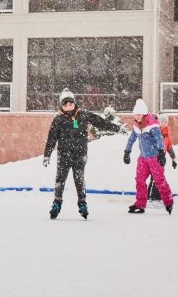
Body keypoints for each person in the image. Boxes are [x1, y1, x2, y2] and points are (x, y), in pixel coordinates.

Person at [42, 88, 123, 220]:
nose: (68, 106)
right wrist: (47, 154)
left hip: (80, 154)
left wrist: (116, 127)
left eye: (71, 103)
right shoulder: (58, 120)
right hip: (64, 155)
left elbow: (100, 122)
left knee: (79, 179)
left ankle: (82, 203)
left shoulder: (83, 115)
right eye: (65, 104)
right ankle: (57, 203)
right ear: (61, 105)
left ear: (74, 103)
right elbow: (52, 138)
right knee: (60, 179)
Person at [123, 99, 174, 214]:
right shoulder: (136, 125)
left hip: (154, 158)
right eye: (135, 114)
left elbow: (159, 138)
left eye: (139, 114)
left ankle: (169, 202)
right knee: (139, 180)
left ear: (144, 114)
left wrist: (161, 152)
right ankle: (140, 204)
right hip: (143, 158)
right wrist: (127, 151)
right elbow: (131, 138)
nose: (137, 116)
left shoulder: (152, 124)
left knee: (159, 180)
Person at [147, 112, 178, 203]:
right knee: (155, 176)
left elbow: (169, 147)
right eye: (162, 121)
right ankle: (150, 196)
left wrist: (174, 159)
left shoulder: (166, 132)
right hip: (154, 156)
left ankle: (156, 195)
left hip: (162, 157)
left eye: (165, 122)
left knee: (159, 176)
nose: (164, 123)